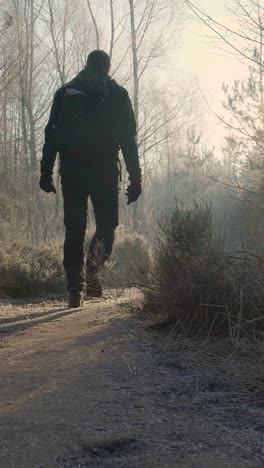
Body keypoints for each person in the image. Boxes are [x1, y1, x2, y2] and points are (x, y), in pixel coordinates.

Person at [40, 50, 142, 308]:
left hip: (72, 171)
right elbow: (128, 139)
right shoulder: (118, 94)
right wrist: (135, 177)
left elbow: (51, 135)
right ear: (107, 67)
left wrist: (45, 172)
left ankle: (75, 289)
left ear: (87, 65)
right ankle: (93, 272)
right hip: (105, 171)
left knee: (74, 228)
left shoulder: (65, 93)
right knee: (107, 226)